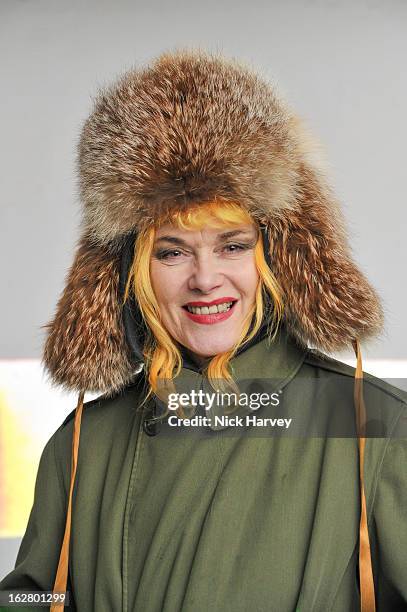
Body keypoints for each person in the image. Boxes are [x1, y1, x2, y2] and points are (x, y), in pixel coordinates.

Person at [0, 49, 406, 612]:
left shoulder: (376, 423)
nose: (205, 279)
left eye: (233, 246)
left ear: (281, 257)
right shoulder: (85, 441)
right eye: (171, 252)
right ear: (129, 271)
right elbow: (38, 597)